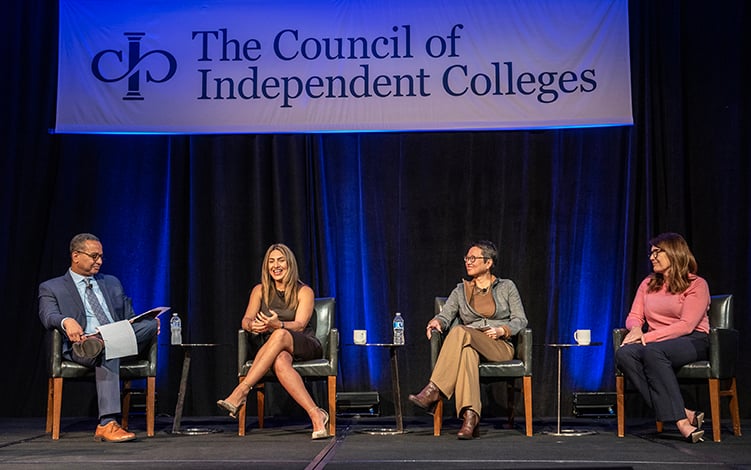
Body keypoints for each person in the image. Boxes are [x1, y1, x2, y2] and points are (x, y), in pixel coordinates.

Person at [38, 233, 158, 442]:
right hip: (82, 346)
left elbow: (129, 317)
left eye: (101, 256)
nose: (99, 261)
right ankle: (108, 423)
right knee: (107, 348)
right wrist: (66, 320)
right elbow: (48, 315)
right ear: (76, 256)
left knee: (146, 325)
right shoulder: (52, 287)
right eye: (94, 256)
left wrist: (146, 322)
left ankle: (104, 341)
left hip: (115, 339)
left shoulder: (111, 282)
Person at [409, 240, 528, 439]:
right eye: (467, 258)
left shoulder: (507, 287)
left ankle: (434, 389)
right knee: (466, 352)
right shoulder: (460, 291)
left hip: (498, 345)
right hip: (469, 342)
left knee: (459, 332)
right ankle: (470, 419)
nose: (468, 262)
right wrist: (436, 322)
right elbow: (445, 316)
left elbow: (521, 320)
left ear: (488, 262)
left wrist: (503, 329)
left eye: (473, 258)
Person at [217, 243, 329, 439]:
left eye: (280, 260)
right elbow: (246, 320)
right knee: (279, 362)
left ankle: (242, 391)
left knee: (280, 335)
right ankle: (316, 415)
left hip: (304, 343)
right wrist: (253, 326)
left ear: (289, 264)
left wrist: (278, 325)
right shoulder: (259, 290)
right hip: (274, 348)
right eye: (271, 261)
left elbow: (301, 325)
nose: (276, 266)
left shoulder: (304, 291)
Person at [615, 232, 710, 443]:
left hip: (692, 340)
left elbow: (686, 325)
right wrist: (636, 329)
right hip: (657, 343)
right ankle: (684, 413)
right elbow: (634, 316)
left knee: (652, 350)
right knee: (624, 353)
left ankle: (681, 422)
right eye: (651, 253)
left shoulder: (697, 284)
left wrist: (648, 337)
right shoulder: (648, 283)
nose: (652, 257)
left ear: (675, 253)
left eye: (657, 252)